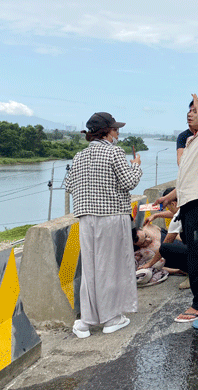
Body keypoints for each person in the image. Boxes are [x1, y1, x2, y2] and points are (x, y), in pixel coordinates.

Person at [65, 112, 142, 339]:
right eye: (116, 130)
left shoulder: (79, 155)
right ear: (107, 132)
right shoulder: (114, 151)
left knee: (91, 269)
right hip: (111, 216)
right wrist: (136, 166)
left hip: (86, 217)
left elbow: (69, 185)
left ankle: (86, 322)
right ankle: (111, 318)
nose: (118, 133)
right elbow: (129, 182)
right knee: (112, 266)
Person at [154, 95, 198, 323]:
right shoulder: (193, 142)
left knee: (196, 256)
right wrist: (168, 198)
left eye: (195, 110)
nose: (189, 113)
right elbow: (187, 179)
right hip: (190, 203)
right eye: (189, 110)